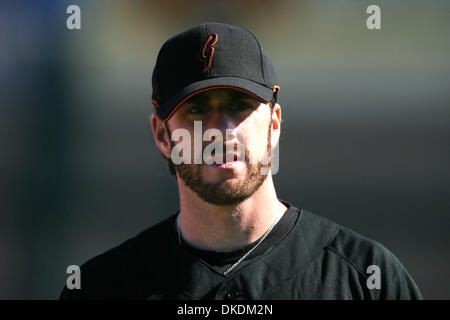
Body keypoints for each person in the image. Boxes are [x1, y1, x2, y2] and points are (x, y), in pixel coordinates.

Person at [60, 22, 422, 300]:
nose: (221, 130)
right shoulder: (101, 288)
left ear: (274, 123)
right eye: (197, 110)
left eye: (239, 105)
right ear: (162, 136)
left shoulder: (366, 279)